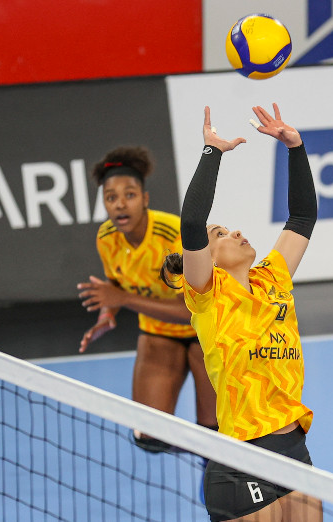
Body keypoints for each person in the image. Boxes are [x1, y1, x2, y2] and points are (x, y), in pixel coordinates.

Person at [161, 104, 323, 522]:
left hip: (294, 450)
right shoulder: (206, 292)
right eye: (221, 234)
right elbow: (192, 221)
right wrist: (212, 152)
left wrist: (295, 148)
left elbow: (303, 215)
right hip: (242, 458)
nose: (234, 231)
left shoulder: (273, 277)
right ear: (206, 257)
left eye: (232, 227)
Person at [77, 145, 217, 451]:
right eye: (111, 198)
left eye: (129, 194)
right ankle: (202, 450)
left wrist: (123, 300)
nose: (120, 205)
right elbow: (117, 288)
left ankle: (213, 472)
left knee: (216, 430)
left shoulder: (172, 236)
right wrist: (107, 315)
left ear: (145, 199)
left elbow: (191, 309)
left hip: (205, 332)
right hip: (158, 333)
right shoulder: (106, 239)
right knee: (148, 436)